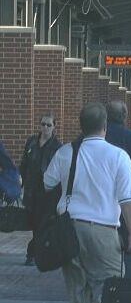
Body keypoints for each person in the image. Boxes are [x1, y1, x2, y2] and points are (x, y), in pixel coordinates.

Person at [44, 102, 131, 303]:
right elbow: (128, 199)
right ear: (105, 127)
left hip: (69, 228)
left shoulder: (67, 152)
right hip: (103, 229)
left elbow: (47, 183)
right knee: (109, 281)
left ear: (81, 126)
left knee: (77, 285)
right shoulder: (118, 156)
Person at [19, 114, 62, 266]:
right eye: (43, 124)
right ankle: (36, 252)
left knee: (40, 223)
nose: (45, 128)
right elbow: (24, 164)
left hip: (47, 192)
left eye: (49, 125)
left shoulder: (57, 147)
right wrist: (20, 184)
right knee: (33, 223)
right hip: (31, 191)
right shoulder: (31, 142)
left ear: (54, 127)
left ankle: (32, 254)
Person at [105, 100, 131, 230]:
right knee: (127, 232)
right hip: (126, 194)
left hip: (99, 192)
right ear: (125, 116)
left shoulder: (97, 135)